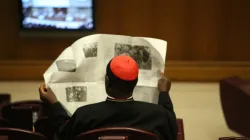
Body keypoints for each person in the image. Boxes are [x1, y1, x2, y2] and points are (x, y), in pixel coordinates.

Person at [39, 55, 178, 140]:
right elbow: (171, 126)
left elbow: (64, 132)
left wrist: (54, 103)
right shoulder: (158, 115)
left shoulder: (85, 115)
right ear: (135, 83)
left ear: (106, 81)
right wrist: (164, 93)